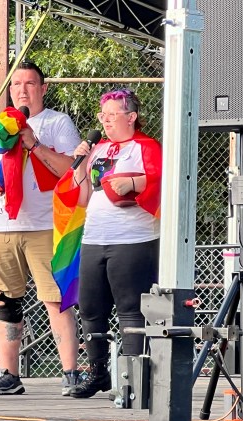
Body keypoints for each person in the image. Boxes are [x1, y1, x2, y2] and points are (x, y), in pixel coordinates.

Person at [0, 62, 82, 396]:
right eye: (16, 84)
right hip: (1, 226)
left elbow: (71, 172)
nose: (23, 90)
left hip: (45, 224)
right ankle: (8, 374)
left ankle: (71, 372)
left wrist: (33, 144)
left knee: (55, 299)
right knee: (4, 300)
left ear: (43, 89)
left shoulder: (57, 123)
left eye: (30, 84)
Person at [69, 88, 162, 399]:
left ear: (131, 117)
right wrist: (81, 165)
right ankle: (97, 372)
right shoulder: (98, 149)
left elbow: (163, 178)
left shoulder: (145, 146)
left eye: (112, 115)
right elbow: (84, 196)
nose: (105, 121)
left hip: (132, 238)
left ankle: (134, 377)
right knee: (91, 308)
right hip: (95, 236)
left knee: (130, 310)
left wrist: (134, 183)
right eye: (102, 116)